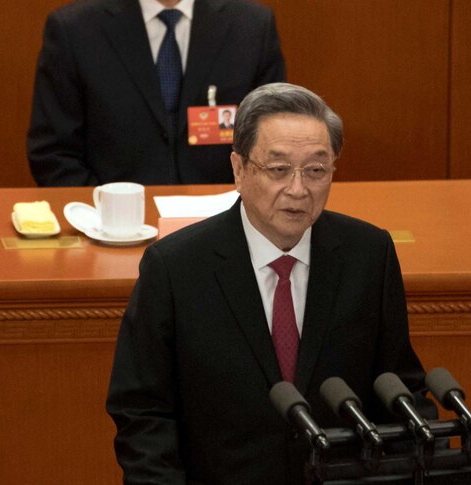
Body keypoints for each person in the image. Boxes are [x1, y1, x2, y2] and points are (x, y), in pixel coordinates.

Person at [106, 83, 429, 483]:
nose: (298, 189)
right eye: (278, 169)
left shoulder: (368, 254)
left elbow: (401, 390)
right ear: (239, 170)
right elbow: (143, 413)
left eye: (316, 170)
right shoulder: (175, 267)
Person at [27, 0, 286, 186]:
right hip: (109, 228)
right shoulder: (74, 29)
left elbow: (274, 142)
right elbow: (53, 153)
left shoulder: (252, 26)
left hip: (226, 226)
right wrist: (106, 214)